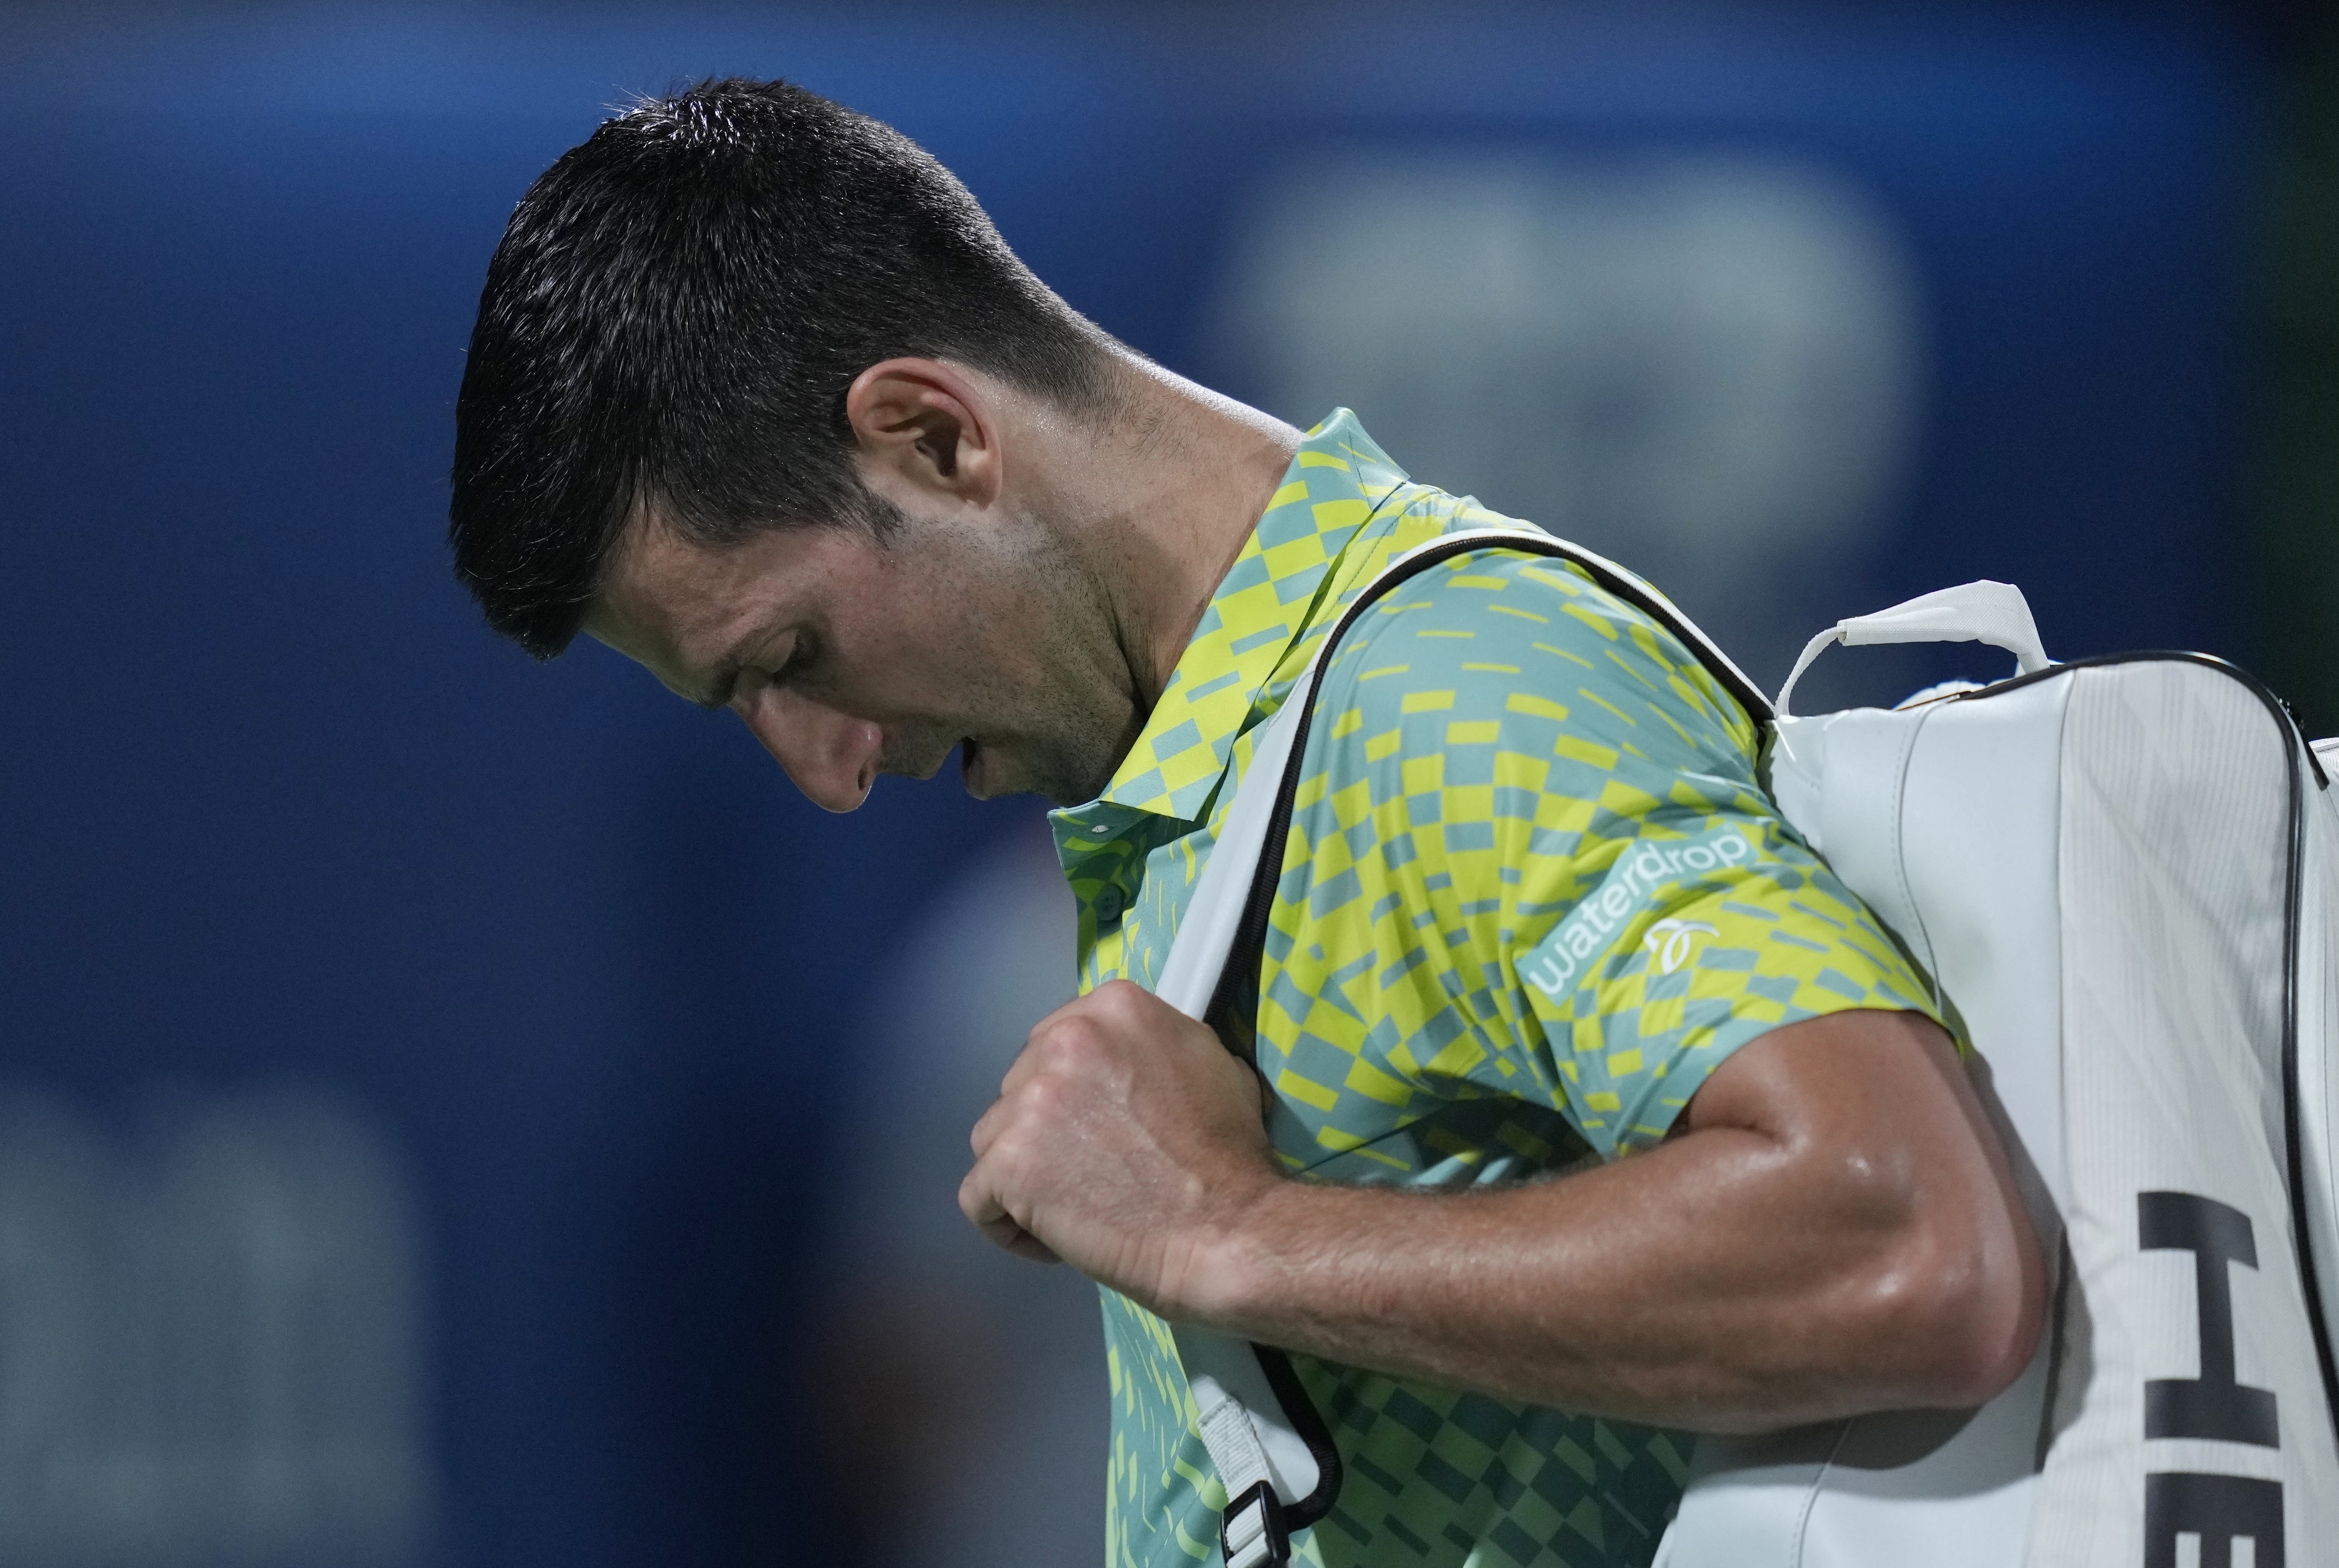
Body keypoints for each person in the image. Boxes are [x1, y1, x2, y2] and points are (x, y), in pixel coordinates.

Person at [447, 78, 2046, 1568]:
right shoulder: (1223, 754)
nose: (831, 769)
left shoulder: (1450, 699)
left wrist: (1231, 1226)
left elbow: (1914, 1236)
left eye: (793, 659)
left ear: (937, 438)